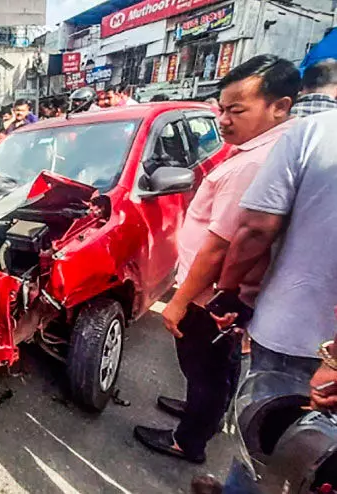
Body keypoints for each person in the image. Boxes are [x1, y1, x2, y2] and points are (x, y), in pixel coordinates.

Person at [134, 55, 301, 464]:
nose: (223, 120)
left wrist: (178, 301)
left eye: (236, 110)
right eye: (221, 109)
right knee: (213, 369)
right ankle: (201, 414)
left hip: (209, 295)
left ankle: (187, 441)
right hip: (222, 294)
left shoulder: (255, 162)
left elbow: (220, 245)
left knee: (205, 369)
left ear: (279, 106)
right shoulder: (259, 150)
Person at [208, 109, 337, 492]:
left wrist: (228, 292)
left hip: (296, 336)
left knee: (267, 447)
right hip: (303, 334)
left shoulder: (316, 131)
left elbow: (256, 229)